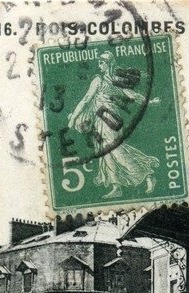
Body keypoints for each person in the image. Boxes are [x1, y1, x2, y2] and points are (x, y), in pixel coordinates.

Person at [67, 51, 160, 199]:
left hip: (111, 120)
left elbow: (133, 95)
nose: (99, 65)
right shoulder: (99, 80)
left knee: (117, 151)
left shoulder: (110, 81)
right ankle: (116, 186)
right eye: (99, 62)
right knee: (106, 152)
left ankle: (147, 175)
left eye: (102, 62)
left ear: (109, 64)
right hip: (99, 121)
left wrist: (149, 102)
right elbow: (86, 100)